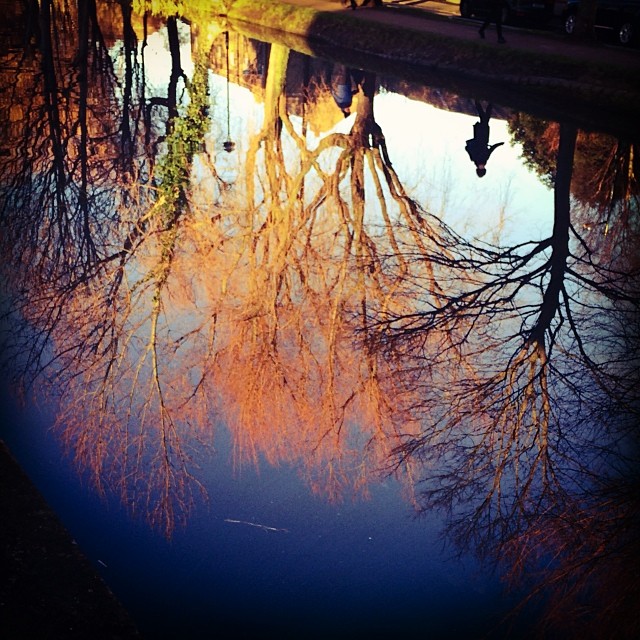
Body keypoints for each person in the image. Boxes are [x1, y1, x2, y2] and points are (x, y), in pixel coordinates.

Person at [465, 101, 504, 177]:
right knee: (484, 118)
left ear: (478, 168)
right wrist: (500, 144)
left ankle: (487, 102)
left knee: (485, 118)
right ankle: (483, 102)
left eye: (481, 168)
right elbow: (491, 149)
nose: (482, 167)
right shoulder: (485, 159)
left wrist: (476, 144)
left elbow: (467, 148)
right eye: (483, 168)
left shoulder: (474, 158)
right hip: (485, 136)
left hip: (479, 135)